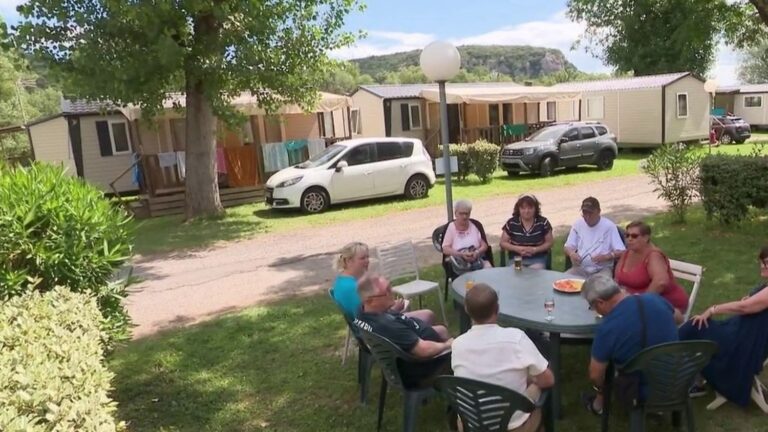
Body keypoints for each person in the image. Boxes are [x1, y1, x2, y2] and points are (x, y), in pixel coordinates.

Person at [452, 283, 554, 432]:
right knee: (542, 379)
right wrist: (531, 379)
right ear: (497, 309)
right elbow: (548, 380)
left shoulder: (457, 344)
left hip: (471, 424)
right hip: (514, 426)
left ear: (466, 310)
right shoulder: (516, 338)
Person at [678, 246, 768, 406]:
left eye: (766, 263)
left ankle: (662, 369)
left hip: (743, 342)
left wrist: (713, 309)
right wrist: (748, 300)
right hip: (738, 331)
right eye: (761, 262)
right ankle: (693, 380)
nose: (762, 265)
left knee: (694, 327)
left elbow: (745, 307)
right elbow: (749, 305)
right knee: (695, 327)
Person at [581, 273, 679, 415]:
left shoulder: (608, 328)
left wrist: (600, 389)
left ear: (600, 302)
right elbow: (679, 318)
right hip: (681, 378)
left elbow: (595, 374)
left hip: (641, 390)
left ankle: (599, 404)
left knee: (606, 367)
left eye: (592, 306)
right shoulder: (655, 299)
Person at [354, 273, 453, 387]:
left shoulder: (363, 310)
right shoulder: (389, 326)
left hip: (408, 348)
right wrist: (448, 345)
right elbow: (424, 350)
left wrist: (391, 309)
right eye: (387, 291)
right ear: (370, 300)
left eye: (390, 286)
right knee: (460, 346)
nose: (392, 292)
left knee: (440, 329)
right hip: (424, 367)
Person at [331, 241, 435, 323]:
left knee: (426, 315)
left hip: (373, 325)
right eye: (362, 258)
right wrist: (394, 308)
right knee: (427, 315)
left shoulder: (342, 281)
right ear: (349, 261)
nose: (367, 261)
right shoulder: (352, 287)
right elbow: (372, 318)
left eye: (367, 257)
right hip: (377, 330)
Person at [614, 221, 689, 321]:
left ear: (646, 238)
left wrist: (640, 303)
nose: (629, 239)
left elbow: (661, 282)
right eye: (627, 235)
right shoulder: (627, 253)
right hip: (632, 302)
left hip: (665, 302)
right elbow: (617, 278)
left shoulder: (654, 255)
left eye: (634, 236)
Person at [564, 197, 626, 278]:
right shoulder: (578, 224)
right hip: (580, 269)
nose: (587, 217)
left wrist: (607, 256)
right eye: (584, 213)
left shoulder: (609, 226)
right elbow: (567, 247)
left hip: (602, 270)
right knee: (563, 280)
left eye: (590, 213)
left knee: (600, 287)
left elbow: (622, 251)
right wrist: (572, 254)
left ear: (599, 211)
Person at [500, 194, 554, 269]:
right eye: (523, 208)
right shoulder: (512, 223)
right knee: (517, 271)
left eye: (530, 208)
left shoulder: (543, 222)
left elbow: (550, 242)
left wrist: (535, 250)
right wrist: (517, 249)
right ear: (518, 209)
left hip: (537, 259)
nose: (527, 211)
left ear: (535, 209)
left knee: (535, 272)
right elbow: (503, 243)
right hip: (516, 259)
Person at [442, 199, 492, 273]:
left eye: (467, 213)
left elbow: (484, 245)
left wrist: (477, 252)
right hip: (459, 262)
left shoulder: (475, 225)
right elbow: (445, 249)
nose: (464, 216)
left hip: (477, 258)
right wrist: (461, 254)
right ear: (456, 213)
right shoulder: (451, 227)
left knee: (489, 271)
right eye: (461, 214)